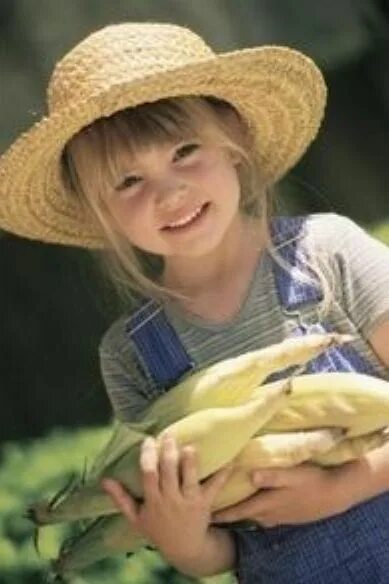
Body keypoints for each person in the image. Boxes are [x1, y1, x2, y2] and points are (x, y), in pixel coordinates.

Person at [1, 21, 389, 584]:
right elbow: (222, 551)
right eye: (127, 182)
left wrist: (345, 486)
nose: (169, 192)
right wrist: (182, 538)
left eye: (185, 151)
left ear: (234, 143)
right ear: (99, 210)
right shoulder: (133, 356)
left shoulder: (326, 252)